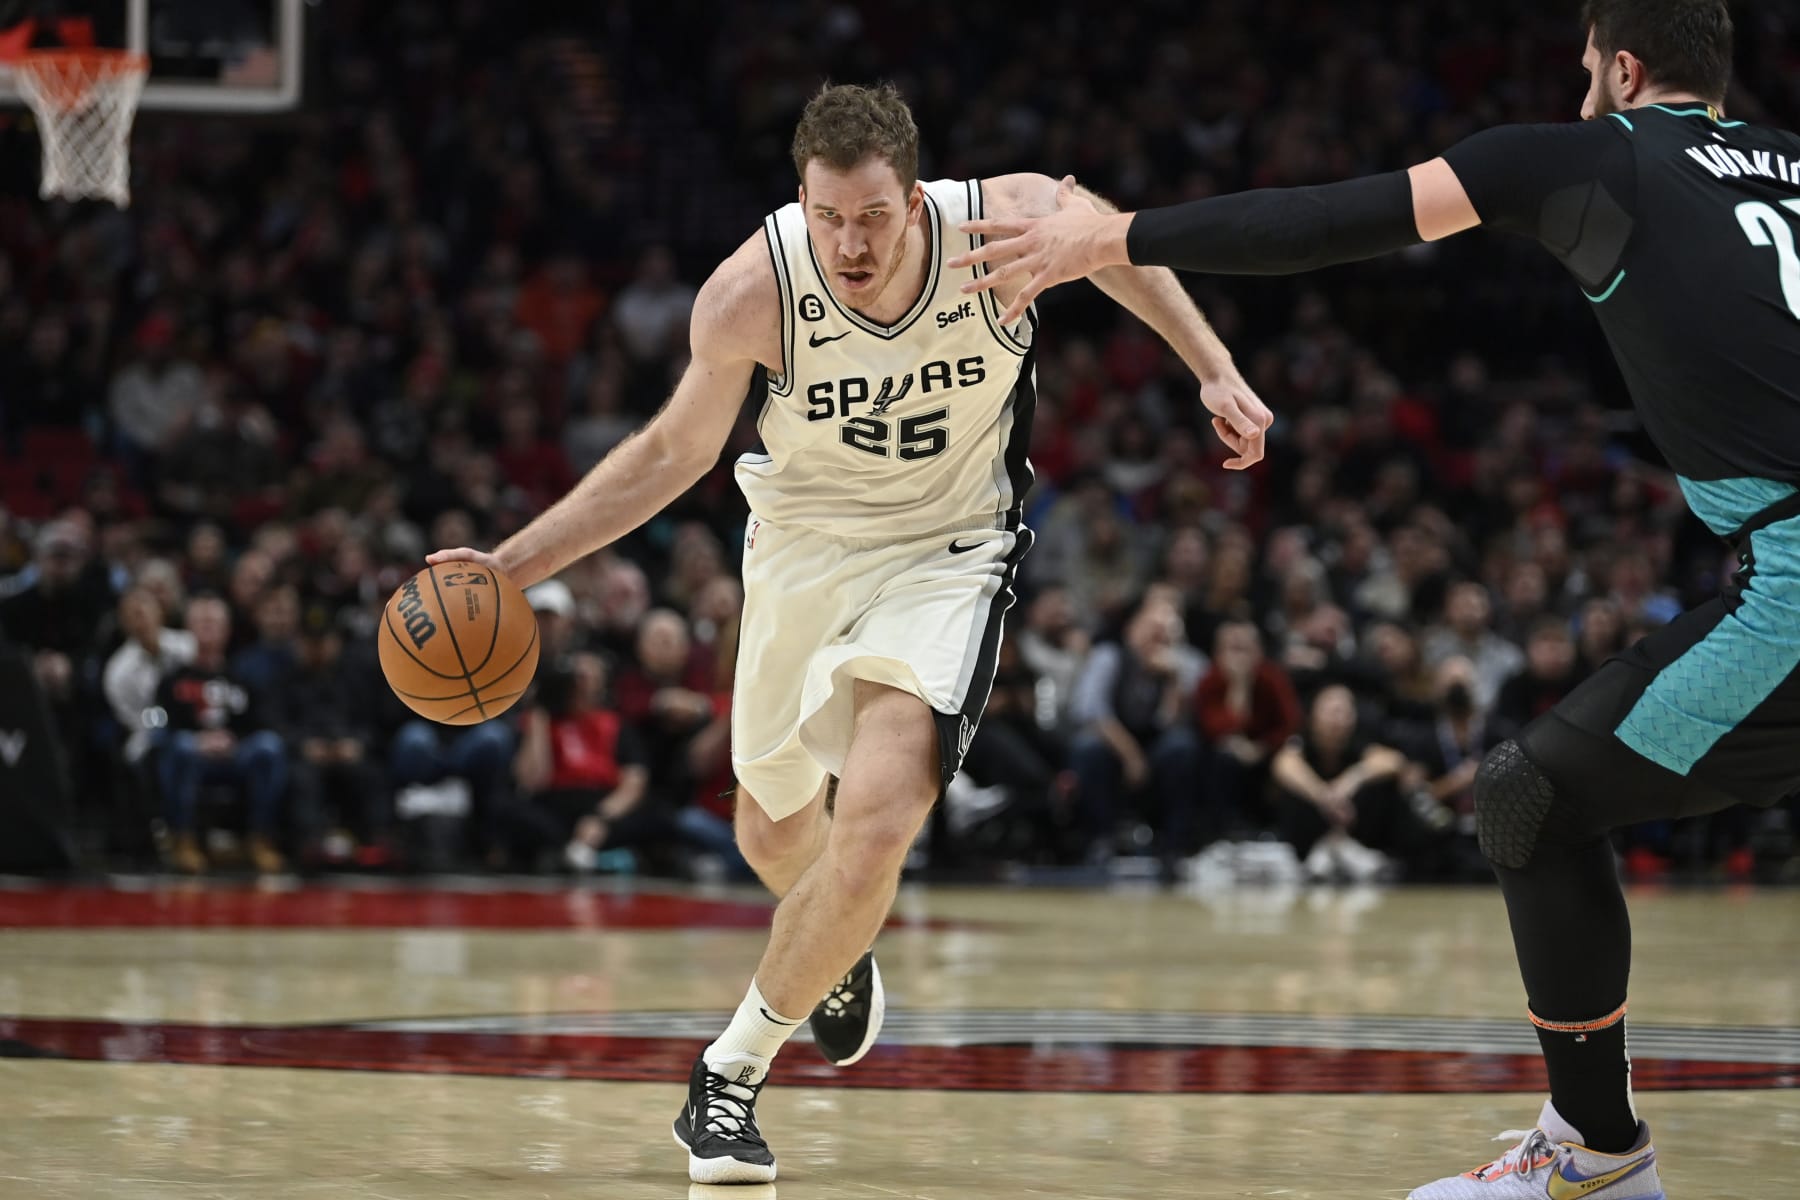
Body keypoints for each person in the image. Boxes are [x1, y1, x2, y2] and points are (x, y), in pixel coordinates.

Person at [956, 2, 1790, 1194]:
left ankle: (1596, 1159)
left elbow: (1335, 218)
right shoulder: (1791, 169)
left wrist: (1119, 234)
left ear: (1619, 66)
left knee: (1532, 800)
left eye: (1587, 71)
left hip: (1794, 579)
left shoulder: (1592, 155)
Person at [427, 81, 1270, 1184]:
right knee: (779, 838)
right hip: (801, 561)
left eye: (872, 216)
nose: (850, 241)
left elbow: (1118, 248)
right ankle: (831, 949)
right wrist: (509, 566)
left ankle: (727, 1077)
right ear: (802, 199)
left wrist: (1212, 365)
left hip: (950, 553)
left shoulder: (1000, 226)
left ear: (914, 201)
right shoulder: (751, 292)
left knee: (875, 822)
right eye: (829, 216)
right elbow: (669, 454)